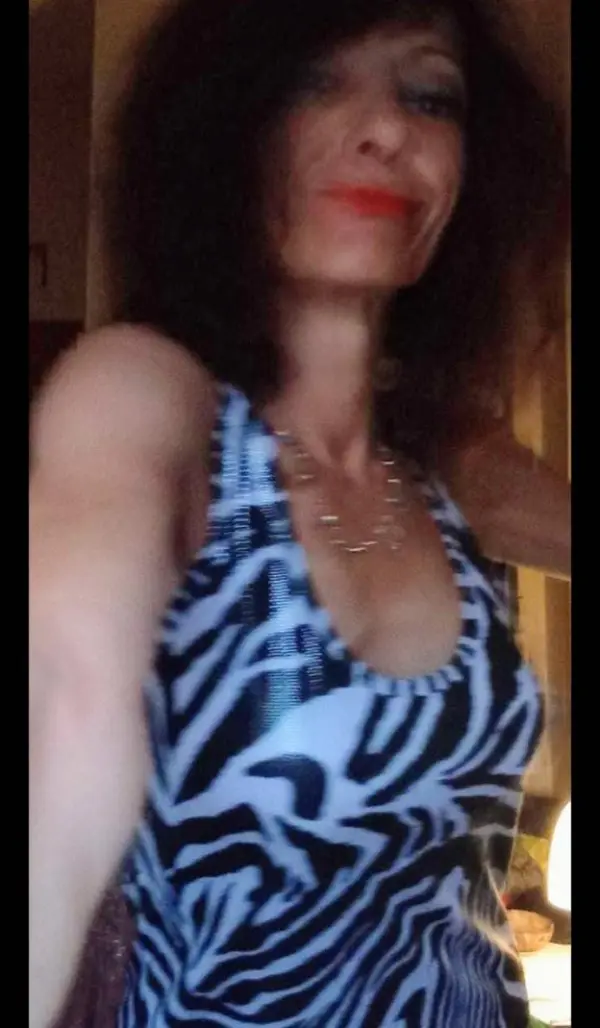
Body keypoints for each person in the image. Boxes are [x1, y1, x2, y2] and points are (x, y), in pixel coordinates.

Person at [29, 0, 570, 1026]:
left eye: (429, 95)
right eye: (316, 81)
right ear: (225, 135)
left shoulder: (451, 460)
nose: (387, 126)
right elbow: (66, 698)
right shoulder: (149, 399)